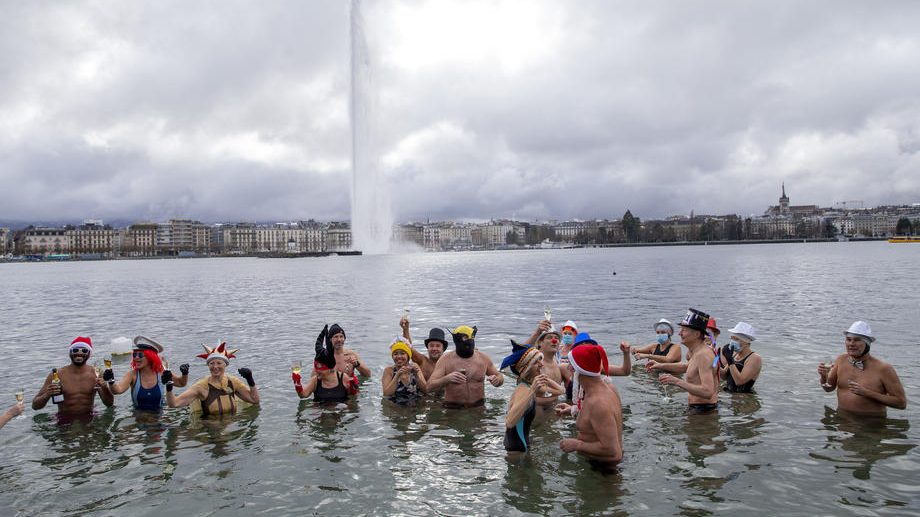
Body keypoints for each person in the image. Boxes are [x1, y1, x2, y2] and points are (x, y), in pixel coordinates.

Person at [818, 321, 907, 416]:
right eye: (848, 339)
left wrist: (866, 393)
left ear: (867, 344)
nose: (851, 344)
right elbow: (828, 388)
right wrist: (823, 377)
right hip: (842, 422)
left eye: (857, 340)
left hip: (870, 425)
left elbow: (901, 403)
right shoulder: (841, 359)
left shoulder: (884, 368)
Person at [557, 342, 623, 469]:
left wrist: (577, 445)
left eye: (571, 364)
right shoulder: (608, 387)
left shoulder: (597, 402)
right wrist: (572, 409)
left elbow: (612, 451)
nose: (568, 368)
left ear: (578, 369)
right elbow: (599, 420)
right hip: (600, 467)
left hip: (603, 473)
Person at [166, 341, 259, 416]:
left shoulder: (233, 382)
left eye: (219, 363)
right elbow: (174, 404)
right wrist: (169, 386)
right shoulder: (201, 387)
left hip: (231, 426)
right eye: (211, 363)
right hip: (210, 430)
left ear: (225, 364)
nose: (215, 366)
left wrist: (250, 379)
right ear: (208, 365)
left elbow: (254, 400)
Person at [32, 336, 114, 416]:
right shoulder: (56, 375)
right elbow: (35, 406)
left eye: (84, 350)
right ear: (70, 352)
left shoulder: (97, 373)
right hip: (64, 418)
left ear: (89, 354)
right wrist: (47, 394)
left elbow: (109, 404)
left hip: (89, 416)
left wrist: (104, 387)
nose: (79, 353)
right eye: (75, 350)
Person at [104, 336, 189, 411]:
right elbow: (117, 390)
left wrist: (185, 373)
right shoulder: (132, 375)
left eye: (140, 355)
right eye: (134, 355)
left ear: (151, 357)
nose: (136, 358)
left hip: (158, 416)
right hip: (139, 417)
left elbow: (181, 383)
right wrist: (111, 381)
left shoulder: (162, 372)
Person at [658, 309, 719, 413]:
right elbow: (688, 367)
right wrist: (659, 365)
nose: (679, 333)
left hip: (705, 411)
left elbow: (708, 392)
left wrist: (676, 381)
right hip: (698, 409)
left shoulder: (703, 355)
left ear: (696, 334)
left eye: (684, 330)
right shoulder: (696, 351)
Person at [428, 325, 504, 408]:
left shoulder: (483, 359)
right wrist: (447, 379)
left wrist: (497, 380)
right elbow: (429, 387)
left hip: (478, 408)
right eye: (465, 340)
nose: (468, 344)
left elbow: (499, 376)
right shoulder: (445, 360)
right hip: (453, 409)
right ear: (457, 342)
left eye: (471, 340)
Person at [500, 341, 548, 452]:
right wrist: (532, 391)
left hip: (518, 447)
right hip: (516, 452)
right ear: (526, 368)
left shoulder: (526, 386)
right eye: (536, 362)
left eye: (540, 360)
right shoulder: (523, 390)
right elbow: (510, 422)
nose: (541, 364)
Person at [294, 325, 354, 403]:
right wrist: (296, 379)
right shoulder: (315, 381)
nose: (317, 375)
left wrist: (353, 381)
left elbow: (352, 398)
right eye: (316, 371)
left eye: (319, 372)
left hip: (339, 412)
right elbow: (302, 395)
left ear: (330, 368)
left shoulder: (343, 378)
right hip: (320, 411)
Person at [328, 324, 372, 394]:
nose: (339, 339)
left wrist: (357, 364)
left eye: (341, 336)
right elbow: (314, 378)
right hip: (332, 393)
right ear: (330, 339)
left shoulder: (351, 354)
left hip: (350, 393)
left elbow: (368, 375)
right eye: (335, 337)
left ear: (344, 338)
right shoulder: (325, 357)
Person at [382, 338, 428, 404]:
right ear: (392, 356)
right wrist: (397, 376)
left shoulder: (414, 366)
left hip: (415, 407)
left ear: (408, 356)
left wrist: (416, 375)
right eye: (395, 354)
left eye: (402, 353)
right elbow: (386, 394)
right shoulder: (389, 370)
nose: (399, 356)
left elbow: (426, 390)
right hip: (396, 408)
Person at [720, 322, 762, 393]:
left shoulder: (755, 358)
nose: (732, 342)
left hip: (743, 399)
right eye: (732, 338)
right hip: (730, 395)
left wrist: (730, 360)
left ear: (746, 341)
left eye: (736, 339)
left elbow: (739, 381)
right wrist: (712, 361)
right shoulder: (735, 354)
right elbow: (724, 376)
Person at [531, 328, 569, 406]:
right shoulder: (535, 364)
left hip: (555, 411)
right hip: (537, 413)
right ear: (540, 343)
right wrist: (560, 393)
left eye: (556, 338)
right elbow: (528, 397)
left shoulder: (557, 362)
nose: (554, 341)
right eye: (549, 338)